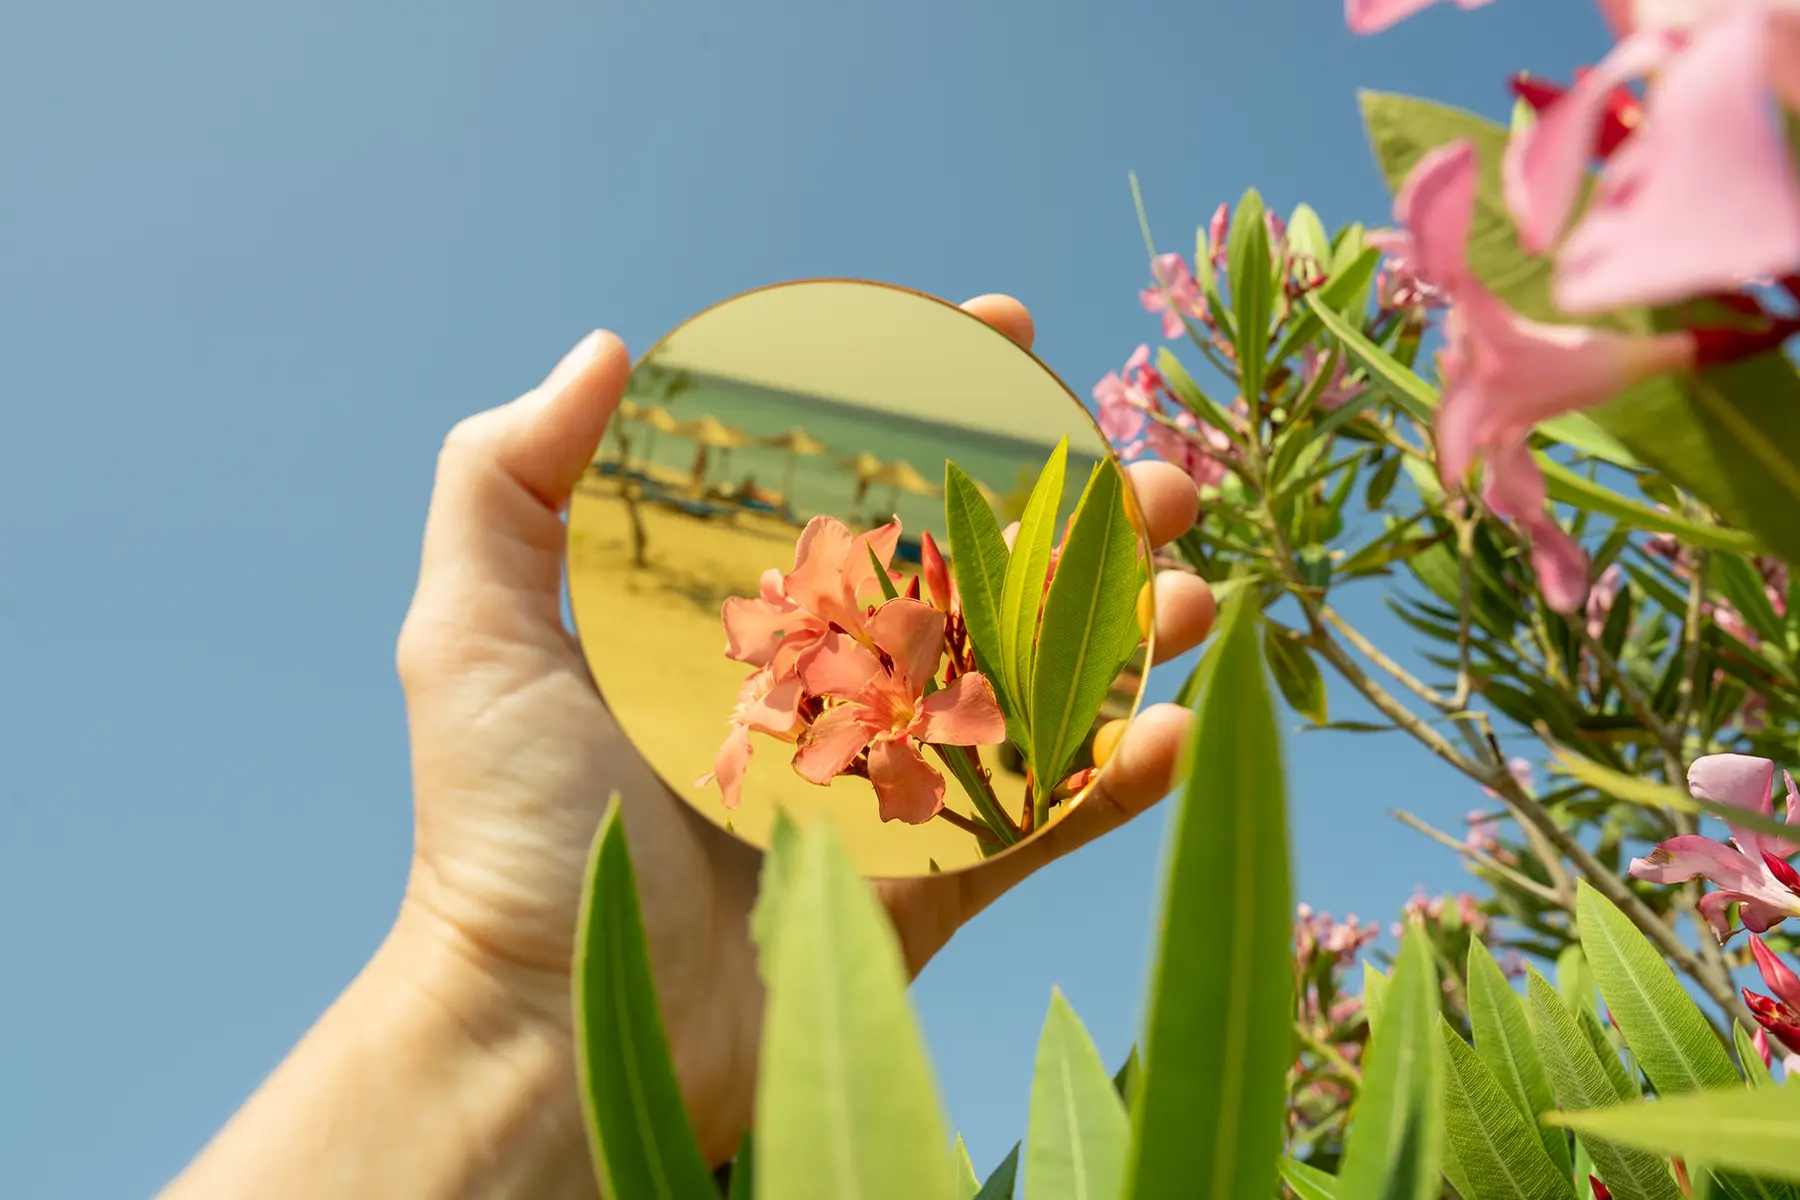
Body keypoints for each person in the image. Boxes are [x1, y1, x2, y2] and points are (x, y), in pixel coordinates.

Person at [159, 296, 1218, 1198]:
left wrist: (525, 1008)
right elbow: (889, 700)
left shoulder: (910, 665)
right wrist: (522, 985)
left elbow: (933, 677)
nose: (808, 657)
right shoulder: (856, 694)